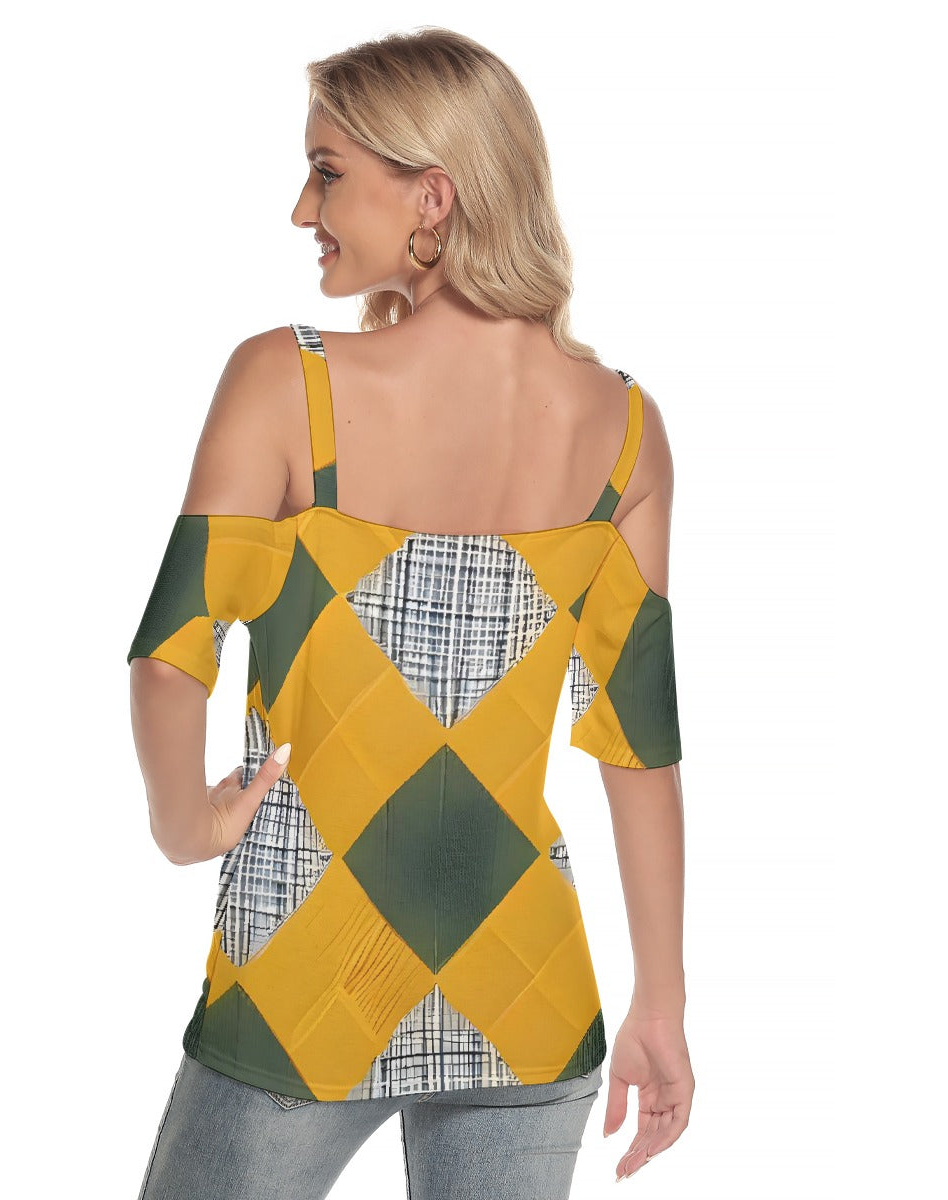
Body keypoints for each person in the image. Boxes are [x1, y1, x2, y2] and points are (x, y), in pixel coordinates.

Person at [127, 26, 694, 1200]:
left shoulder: (288, 384)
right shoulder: (626, 433)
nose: (303, 207)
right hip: (528, 994)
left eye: (328, 171)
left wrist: (184, 824)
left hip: (305, 988)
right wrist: (662, 1002)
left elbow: (173, 656)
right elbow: (638, 744)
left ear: (432, 197)